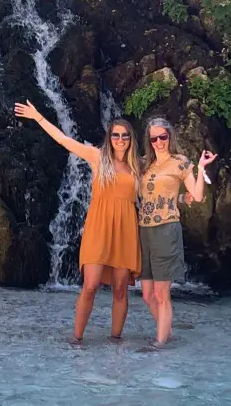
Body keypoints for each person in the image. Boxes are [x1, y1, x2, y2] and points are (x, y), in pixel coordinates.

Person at [14, 99, 142, 347]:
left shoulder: (138, 166)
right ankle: (77, 338)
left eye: (125, 136)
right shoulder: (97, 157)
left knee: (119, 289)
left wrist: (185, 193)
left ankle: (116, 339)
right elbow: (64, 140)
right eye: (115, 135)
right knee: (91, 285)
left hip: (126, 230)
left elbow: (160, 184)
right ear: (109, 137)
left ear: (131, 139)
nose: (120, 139)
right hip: (98, 227)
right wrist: (38, 116)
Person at [139, 117, 217, 349]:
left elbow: (198, 195)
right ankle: (167, 329)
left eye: (163, 136)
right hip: (143, 230)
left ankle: (160, 342)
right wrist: (180, 198)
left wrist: (202, 168)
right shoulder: (144, 164)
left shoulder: (180, 163)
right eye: (154, 138)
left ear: (170, 137)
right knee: (146, 294)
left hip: (166, 229)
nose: (158, 142)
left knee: (162, 293)